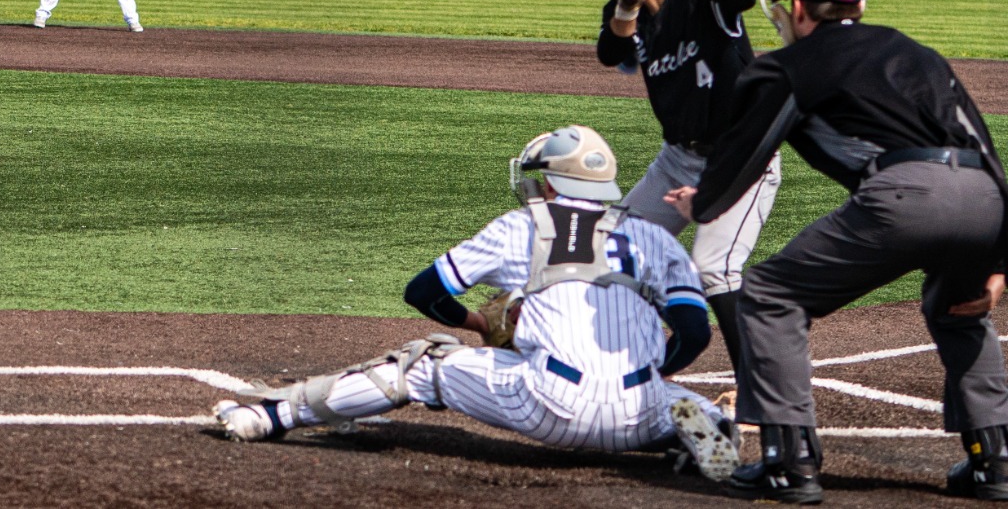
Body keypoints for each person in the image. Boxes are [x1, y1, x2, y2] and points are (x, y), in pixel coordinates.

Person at [213, 125, 738, 482]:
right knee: (692, 405)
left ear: (552, 181)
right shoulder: (656, 239)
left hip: (544, 403)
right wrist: (650, 375)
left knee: (422, 364)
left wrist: (478, 324)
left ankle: (275, 416)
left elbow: (423, 292)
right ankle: (701, 442)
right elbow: (694, 335)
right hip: (637, 412)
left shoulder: (521, 226)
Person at [668, 0, 1008, 503]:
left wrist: (703, 203)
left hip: (906, 194)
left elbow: (747, 147)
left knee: (771, 293)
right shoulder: (913, 50)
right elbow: (982, 144)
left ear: (799, 8)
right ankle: (994, 460)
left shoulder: (790, 66)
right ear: (859, 5)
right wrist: (999, 259)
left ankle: (789, 461)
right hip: (985, 198)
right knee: (958, 306)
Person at [583, 0, 780, 390]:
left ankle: (760, 394)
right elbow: (611, 53)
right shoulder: (627, 5)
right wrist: (625, 9)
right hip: (676, 161)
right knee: (609, 249)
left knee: (715, 270)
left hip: (741, 158)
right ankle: (618, 358)